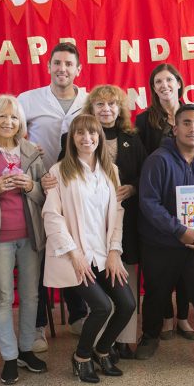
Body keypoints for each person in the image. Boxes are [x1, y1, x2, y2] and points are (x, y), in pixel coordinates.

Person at [42, 114, 135, 383]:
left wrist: (115, 252)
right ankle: (82, 356)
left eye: (92, 133)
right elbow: (52, 217)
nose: (87, 138)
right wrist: (74, 255)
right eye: (80, 133)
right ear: (71, 138)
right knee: (102, 307)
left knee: (127, 304)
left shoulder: (111, 171)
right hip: (76, 256)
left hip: (104, 254)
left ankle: (102, 350)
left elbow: (117, 213)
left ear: (100, 137)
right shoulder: (59, 172)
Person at [136, 105, 194, 373]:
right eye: (186, 123)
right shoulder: (158, 160)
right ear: (175, 129)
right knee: (156, 292)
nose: (192, 128)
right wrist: (179, 231)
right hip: (162, 244)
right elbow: (149, 203)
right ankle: (150, 336)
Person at [58, 86, 147, 359]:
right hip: (87, 226)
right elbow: (63, 174)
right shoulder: (74, 137)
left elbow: (144, 175)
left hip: (124, 221)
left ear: (120, 108)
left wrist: (132, 188)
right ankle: (100, 342)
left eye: (112, 104)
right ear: (91, 109)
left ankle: (122, 341)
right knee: (99, 290)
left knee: (123, 280)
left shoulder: (132, 137)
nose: (106, 109)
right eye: (99, 104)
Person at [0, 95, 48, 384]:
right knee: (2, 298)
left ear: (21, 122)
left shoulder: (31, 152)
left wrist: (31, 186)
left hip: (30, 235)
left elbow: (45, 196)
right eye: (2, 116)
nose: (8, 122)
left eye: (14, 117)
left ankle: (26, 349)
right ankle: (10, 357)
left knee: (31, 295)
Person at [17, 42, 89, 352]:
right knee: (37, 254)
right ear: (48, 66)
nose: (62, 68)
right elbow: (11, 137)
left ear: (78, 69)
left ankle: (78, 315)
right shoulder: (27, 100)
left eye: (68, 64)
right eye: (57, 63)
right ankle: (36, 326)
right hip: (33, 189)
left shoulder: (88, 101)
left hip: (74, 191)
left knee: (69, 248)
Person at [134, 63, 194, 341]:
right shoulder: (144, 120)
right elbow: (140, 160)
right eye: (158, 81)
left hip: (191, 200)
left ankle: (183, 316)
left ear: (179, 83)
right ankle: (166, 317)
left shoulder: (192, 114)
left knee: (187, 263)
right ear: (153, 87)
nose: (164, 85)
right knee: (161, 268)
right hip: (159, 200)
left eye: (169, 79)